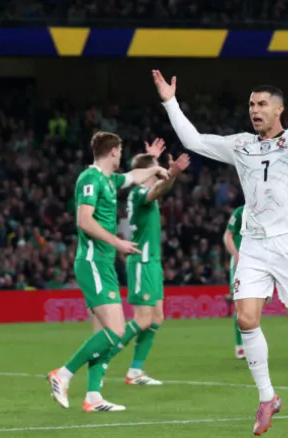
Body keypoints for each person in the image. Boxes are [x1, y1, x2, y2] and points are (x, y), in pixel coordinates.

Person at [152, 50, 288, 436]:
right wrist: (170, 102)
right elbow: (193, 140)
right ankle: (267, 397)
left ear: (279, 109)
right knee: (246, 319)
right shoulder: (240, 145)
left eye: (262, 104)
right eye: (251, 104)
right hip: (253, 244)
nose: (254, 110)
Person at [47, 132, 169, 412]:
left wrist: (156, 168)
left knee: (103, 334)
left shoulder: (109, 180)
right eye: (120, 151)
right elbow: (84, 220)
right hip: (93, 262)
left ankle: (93, 397)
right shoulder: (90, 178)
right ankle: (62, 375)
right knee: (116, 330)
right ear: (113, 151)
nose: (121, 156)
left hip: (103, 263)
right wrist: (117, 242)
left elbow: (134, 176)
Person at [124, 139, 191, 385]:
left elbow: (160, 186)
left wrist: (159, 164)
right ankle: (102, 353)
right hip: (141, 262)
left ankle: (135, 371)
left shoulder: (146, 193)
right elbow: (158, 190)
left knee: (156, 318)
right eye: (155, 167)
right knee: (142, 320)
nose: (159, 169)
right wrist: (171, 174)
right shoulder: (139, 193)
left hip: (152, 262)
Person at [224, 204, 246, 360]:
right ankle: (240, 346)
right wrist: (236, 254)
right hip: (240, 264)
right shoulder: (239, 212)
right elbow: (228, 235)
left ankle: (251, 343)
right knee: (240, 306)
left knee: (255, 306)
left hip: (259, 265)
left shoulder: (266, 211)